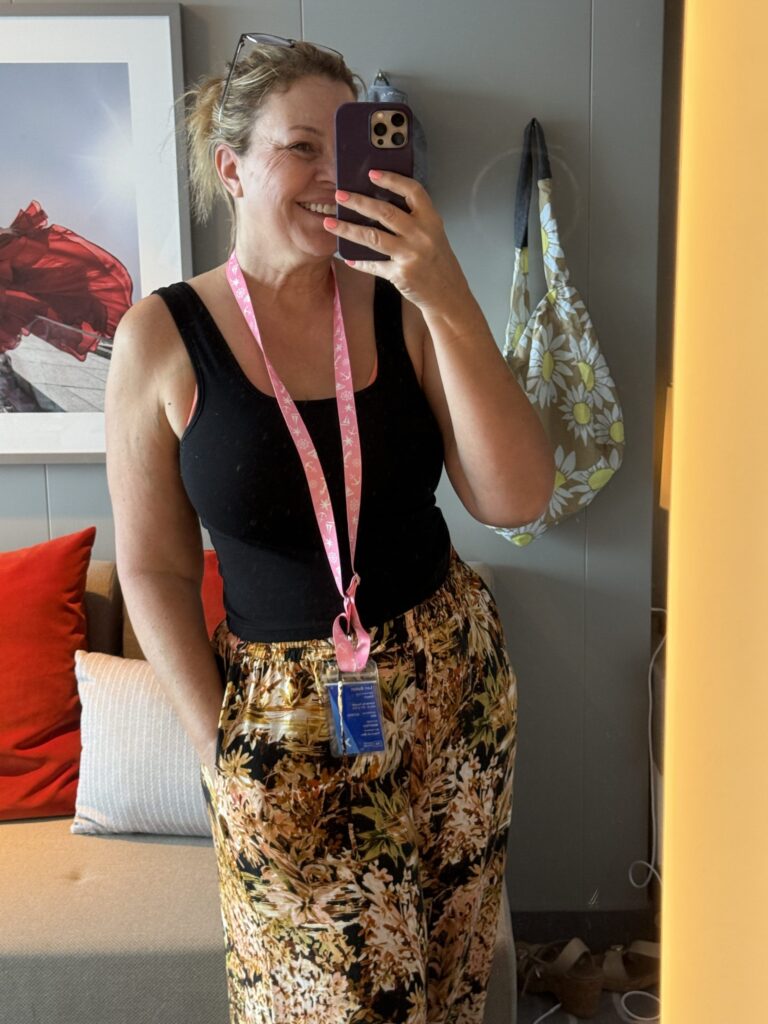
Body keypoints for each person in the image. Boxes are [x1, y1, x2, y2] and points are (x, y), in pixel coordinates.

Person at [105, 36, 553, 1024]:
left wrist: (444, 291)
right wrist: (217, 746)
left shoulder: (402, 301)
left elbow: (516, 496)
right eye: (299, 147)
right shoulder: (161, 338)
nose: (329, 174)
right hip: (282, 724)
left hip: (450, 688)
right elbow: (152, 567)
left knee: (450, 990)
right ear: (232, 167)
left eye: (346, 146)